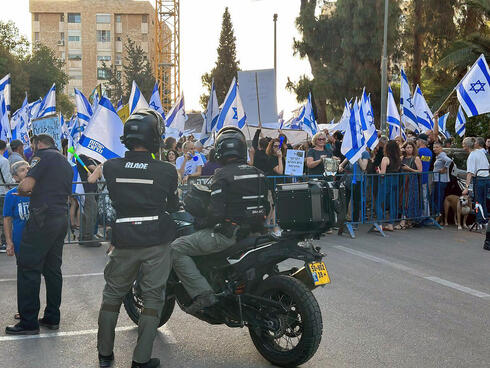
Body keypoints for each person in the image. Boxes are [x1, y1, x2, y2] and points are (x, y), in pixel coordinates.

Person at [97, 109, 179, 368]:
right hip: (155, 241)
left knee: (111, 297)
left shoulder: (110, 167)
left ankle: (105, 355)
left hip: (123, 240)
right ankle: (140, 360)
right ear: (154, 137)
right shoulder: (167, 170)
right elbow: (174, 206)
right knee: (153, 300)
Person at [171, 126, 269, 314]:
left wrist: (201, 222)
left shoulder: (221, 175)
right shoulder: (258, 172)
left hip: (228, 235)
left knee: (176, 248)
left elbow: (216, 213)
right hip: (256, 233)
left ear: (219, 151)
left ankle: (203, 293)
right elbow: (266, 206)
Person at [5, 134, 73, 335]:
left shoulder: (42, 156)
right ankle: (52, 317)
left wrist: (23, 189)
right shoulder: (65, 161)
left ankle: (28, 322)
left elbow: (26, 186)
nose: (31, 149)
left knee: (27, 266)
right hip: (60, 216)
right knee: (53, 269)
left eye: (32, 145)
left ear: (38, 144)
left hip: (42, 217)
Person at [3, 161, 31, 320]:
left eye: (28, 168)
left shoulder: (38, 191)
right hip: (21, 241)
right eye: (22, 170)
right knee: (24, 277)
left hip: (39, 240)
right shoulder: (11, 195)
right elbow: (7, 219)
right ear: (14, 177)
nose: (27, 171)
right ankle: (24, 309)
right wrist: (9, 242)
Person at [462, 137, 489, 225]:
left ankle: (479, 222)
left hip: (479, 179)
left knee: (478, 202)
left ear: (466, 146)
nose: (462, 145)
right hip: (486, 178)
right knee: (483, 201)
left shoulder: (472, 156)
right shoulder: (481, 152)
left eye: (463, 144)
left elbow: (470, 173)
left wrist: (466, 187)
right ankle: (484, 221)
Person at [376, 140, 402, 231]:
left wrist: (378, 171)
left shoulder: (385, 159)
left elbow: (382, 173)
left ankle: (379, 224)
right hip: (395, 181)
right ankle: (391, 224)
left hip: (386, 181)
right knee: (392, 203)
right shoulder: (399, 159)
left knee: (379, 202)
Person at [77, 154, 101, 247]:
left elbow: (99, 174)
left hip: (92, 189)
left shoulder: (92, 158)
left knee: (88, 213)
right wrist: (101, 165)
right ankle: (88, 237)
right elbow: (93, 168)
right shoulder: (82, 156)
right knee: (90, 213)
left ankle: (83, 236)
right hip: (86, 189)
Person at [400, 141, 422, 228]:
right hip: (403, 181)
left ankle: (409, 220)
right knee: (403, 199)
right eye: (407, 147)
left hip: (412, 181)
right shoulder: (402, 158)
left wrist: (409, 169)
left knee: (411, 199)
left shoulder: (416, 158)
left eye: (410, 147)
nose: (409, 149)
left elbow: (420, 171)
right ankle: (405, 218)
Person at [0, 140, 14, 252]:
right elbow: (7, 179)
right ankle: (4, 243)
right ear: (4, 149)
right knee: (5, 218)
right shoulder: (4, 161)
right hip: (2, 192)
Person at [432, 142, 452, 218]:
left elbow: (449, 160)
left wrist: (444, 168)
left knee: (439, 198)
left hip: (441, 180)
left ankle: (439, 216)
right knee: (437, 198)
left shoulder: (442, 155)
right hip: (438, 179)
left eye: (437, 147)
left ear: (441, 148)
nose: (434, 149)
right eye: (434, 147)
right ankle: (438, 216)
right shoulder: (438, 156)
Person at [417, 134, 433, 217]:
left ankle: (420, 215)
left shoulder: (418, 151)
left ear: (420, 141)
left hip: (418, 177)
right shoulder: (429, 151)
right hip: (425, 177)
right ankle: (426, 215)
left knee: (419, 198)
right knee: (425, 197)